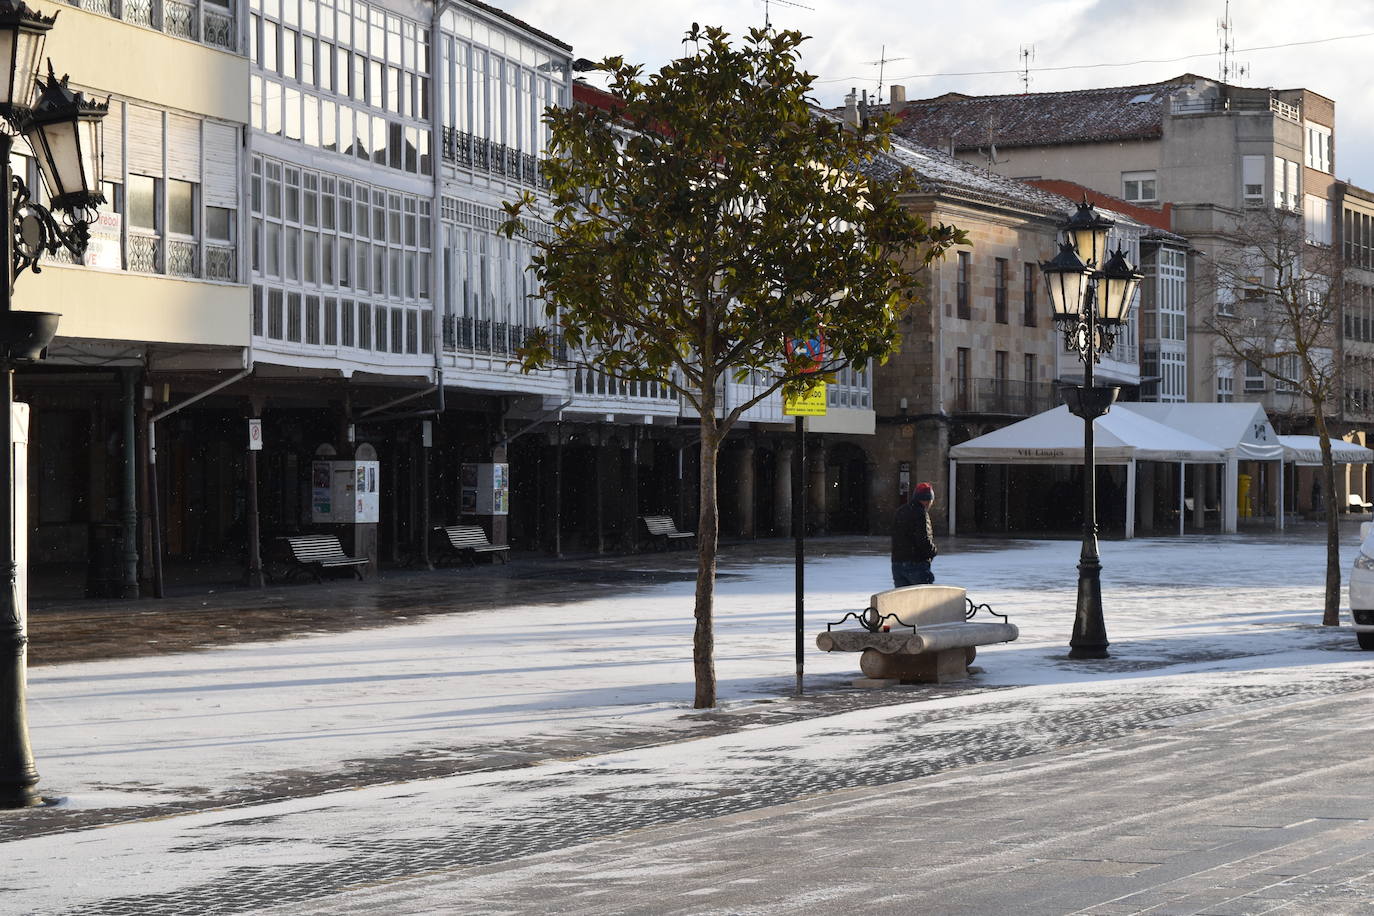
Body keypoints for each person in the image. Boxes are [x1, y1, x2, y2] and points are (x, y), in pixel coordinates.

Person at [891, 481, 938, 587]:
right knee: (923, 600)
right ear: (928, 500)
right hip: (917, 564)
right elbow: (923, 539)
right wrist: (933, 551)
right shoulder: (921, 514)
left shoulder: (900, 511)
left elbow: (896, 537)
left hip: (897, 563)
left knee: (903, 600)